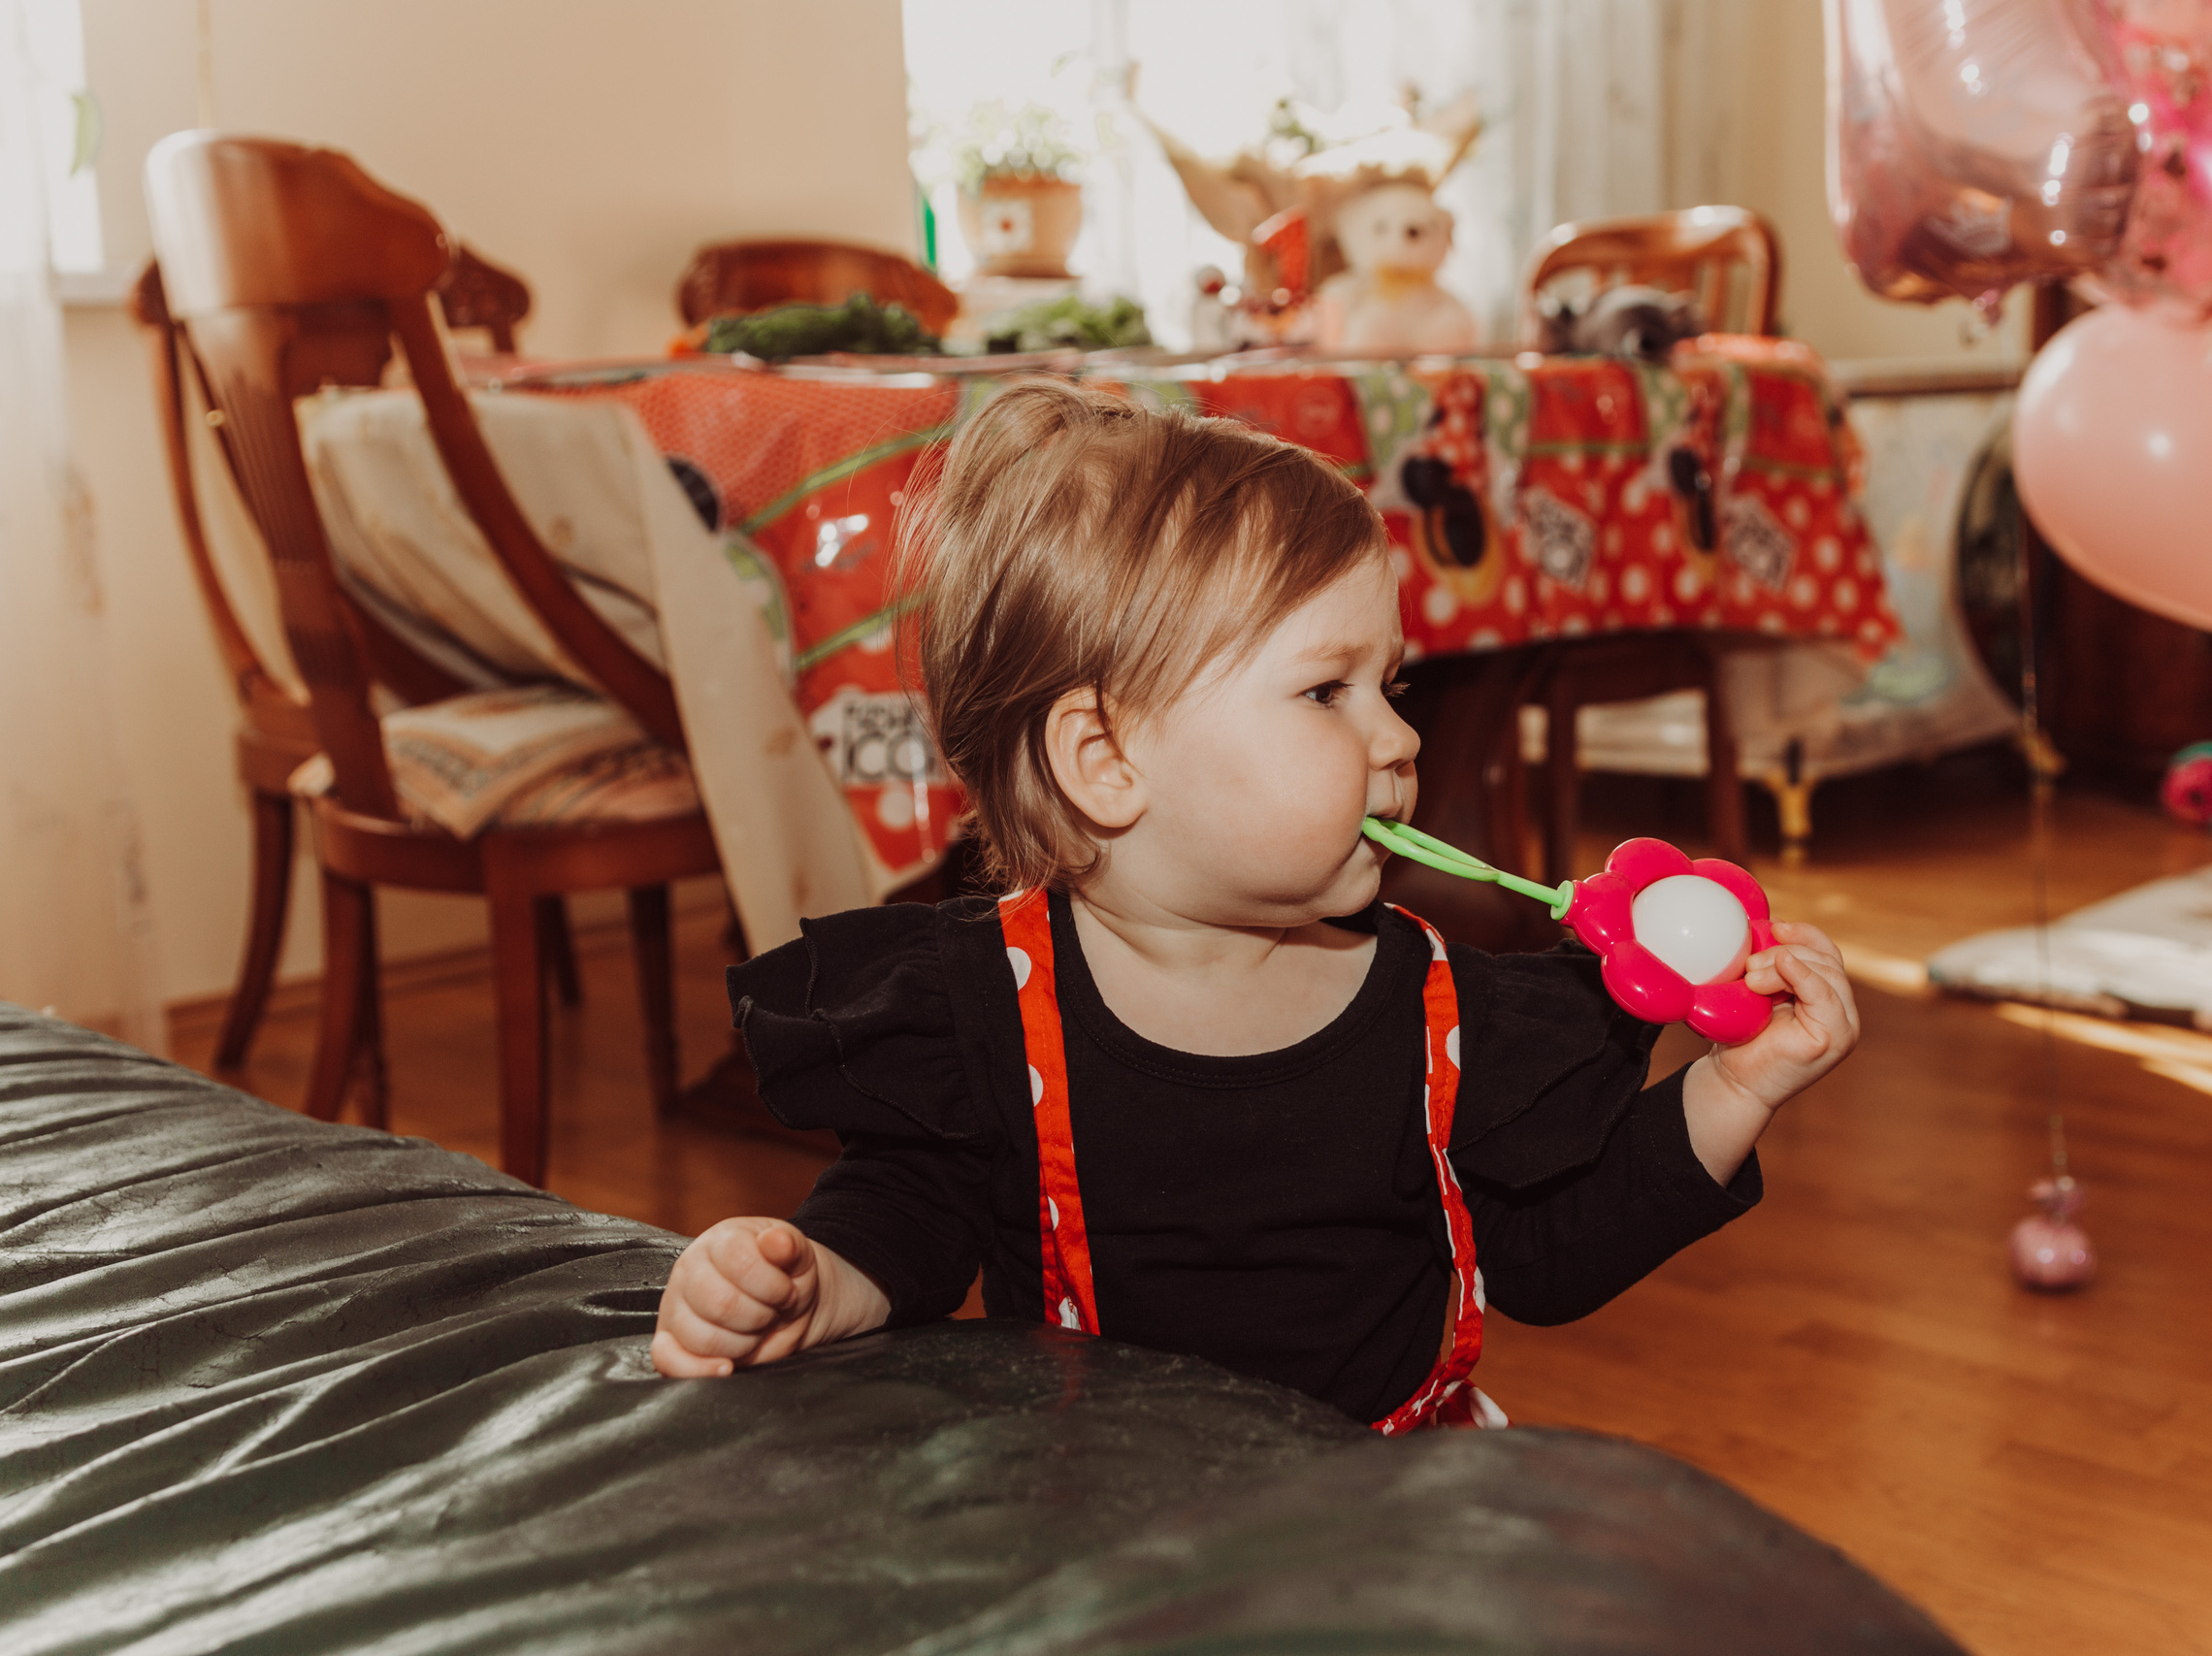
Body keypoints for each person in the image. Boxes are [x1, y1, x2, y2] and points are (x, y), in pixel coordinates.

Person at [650, 380, 1858, 1431]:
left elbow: (1545, 1256)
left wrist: (1730, 1092)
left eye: (1388, 682)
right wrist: (814, 1280)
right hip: (1104, 1513)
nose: (1397, 735)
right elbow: (910, 1214)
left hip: (1371, 1508)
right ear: (1106, 762)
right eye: (1326, 692)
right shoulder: (982, 1006)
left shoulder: (1440, 1006)